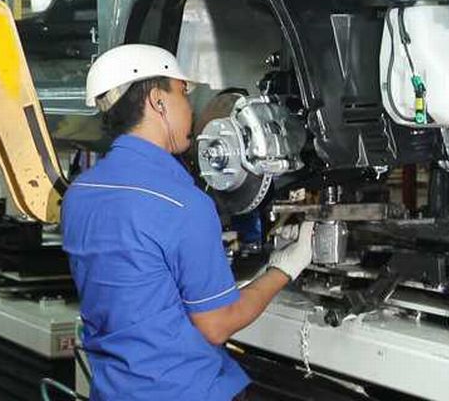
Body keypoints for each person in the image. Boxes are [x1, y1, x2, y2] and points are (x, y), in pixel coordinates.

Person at [61, 44, 314, 401]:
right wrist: (282, 270)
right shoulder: (181, 203)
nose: (190, 107)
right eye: (182, 92)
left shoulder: (80, 194)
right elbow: (217, 325)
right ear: (156, 101)